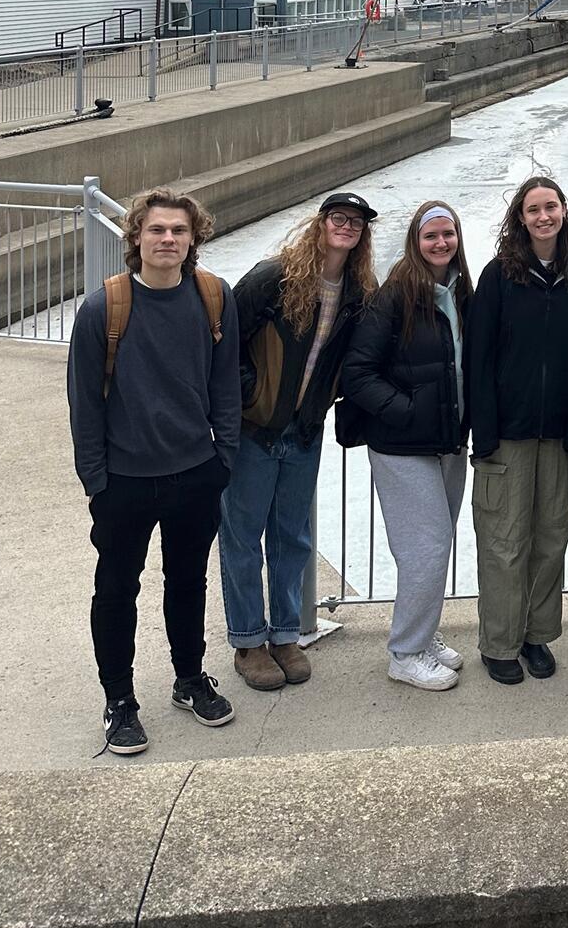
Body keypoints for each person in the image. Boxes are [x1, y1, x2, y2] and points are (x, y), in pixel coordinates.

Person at [66, 187, 240, 755]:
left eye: (179, 232)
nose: (168, 240)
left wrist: (224, 459)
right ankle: (119, 700)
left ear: (194, 239)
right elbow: (85, 404)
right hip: (125, 481)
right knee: (116, 590)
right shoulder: (103, 308)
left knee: (188, 582)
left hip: (196, 471)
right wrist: (97, 485)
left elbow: (225, 386)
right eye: (158, 230)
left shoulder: (213, 297)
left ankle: (189, 679)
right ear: (135, 236)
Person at [220, 191, 379, 691]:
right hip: (255, 429)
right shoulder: (274, 278)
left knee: (292, 538)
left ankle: (285, 634)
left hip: (303, 433)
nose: (347, 227)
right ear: (321, 223)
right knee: (243, 539)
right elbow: (223, 342)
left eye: (356, 222)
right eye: (339, 218)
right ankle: (249, 640)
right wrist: (251, 396)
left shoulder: (358, 293)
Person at [468, 176, 568, 686]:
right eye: (533, 209)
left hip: (559, 436)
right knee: (504, 541)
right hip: (507, 433)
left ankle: (537, 635)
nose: (543, 216)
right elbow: (478, 358)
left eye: (551, 207)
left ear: (564, 211)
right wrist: (483, 431)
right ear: (520, 219)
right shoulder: (499, 276)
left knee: (550, 537)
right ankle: (499, 641)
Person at [340, 200, 472, 691]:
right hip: (403, 446)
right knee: (427, 548)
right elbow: (357, 374)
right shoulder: (395, 296)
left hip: (448, 441)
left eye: (448, 234)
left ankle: (423, 631)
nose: (441, 243)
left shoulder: (459, 291)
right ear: (415, 242)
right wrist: (407, 412)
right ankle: (406, 651)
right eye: (431, 236)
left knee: (436, 546)